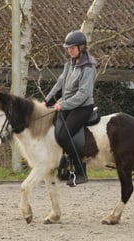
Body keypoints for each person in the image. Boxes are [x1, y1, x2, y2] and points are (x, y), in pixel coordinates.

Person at [43, 30, 97, 186]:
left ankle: (81, 172)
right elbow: (59, 86)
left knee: (64, 136)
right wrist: (46, 102)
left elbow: (83, 94)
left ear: (81, 48)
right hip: (68, 106)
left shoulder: (88, 67)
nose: (69, 50)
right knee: (54, 132)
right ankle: (65, 169)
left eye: (72, 48)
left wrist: (62, 105)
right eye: (68, 48)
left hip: (82, 107)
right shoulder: (70, 64)